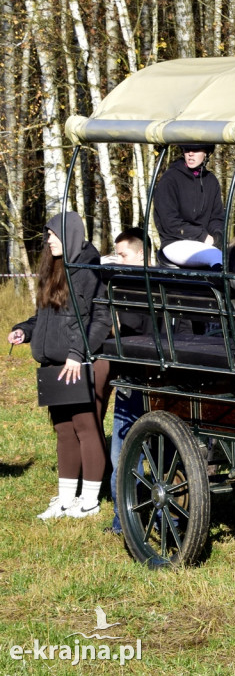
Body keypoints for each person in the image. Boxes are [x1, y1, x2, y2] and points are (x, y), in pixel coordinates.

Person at [8, 212, 112, 520]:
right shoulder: (53, 268)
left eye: (53, 235)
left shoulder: (88, 268)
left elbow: (100, 320)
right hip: (56, 364)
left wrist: (76, 353)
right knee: (64, 429)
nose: (48, 240)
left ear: (70, 235)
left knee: (86, 426)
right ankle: (67, 499)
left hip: (81, 361)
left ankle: (90, 500)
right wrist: (24, 331)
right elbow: (44, 316)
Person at [105, 228, 148, 535]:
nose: (118, 260)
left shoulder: (139, 286)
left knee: (125, 452)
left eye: (123, 255)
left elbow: (123, 325)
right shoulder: (123, 284)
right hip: (132, 376)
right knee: (124, 453)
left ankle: (126, 519)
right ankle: (123, 518)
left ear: (141, 253)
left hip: (138, 377)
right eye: (116, 255)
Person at [153, 143, 225, 267]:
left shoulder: (211, 181)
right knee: (217, 257)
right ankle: (218, 287)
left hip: (204, 242)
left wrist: (218, 236)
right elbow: (169, 221)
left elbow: (216, 217)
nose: (190, 153)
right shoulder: (170, 179)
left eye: (196, 150)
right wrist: (203, 236)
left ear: (206, 153)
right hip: (175, 242)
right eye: (187, 150)